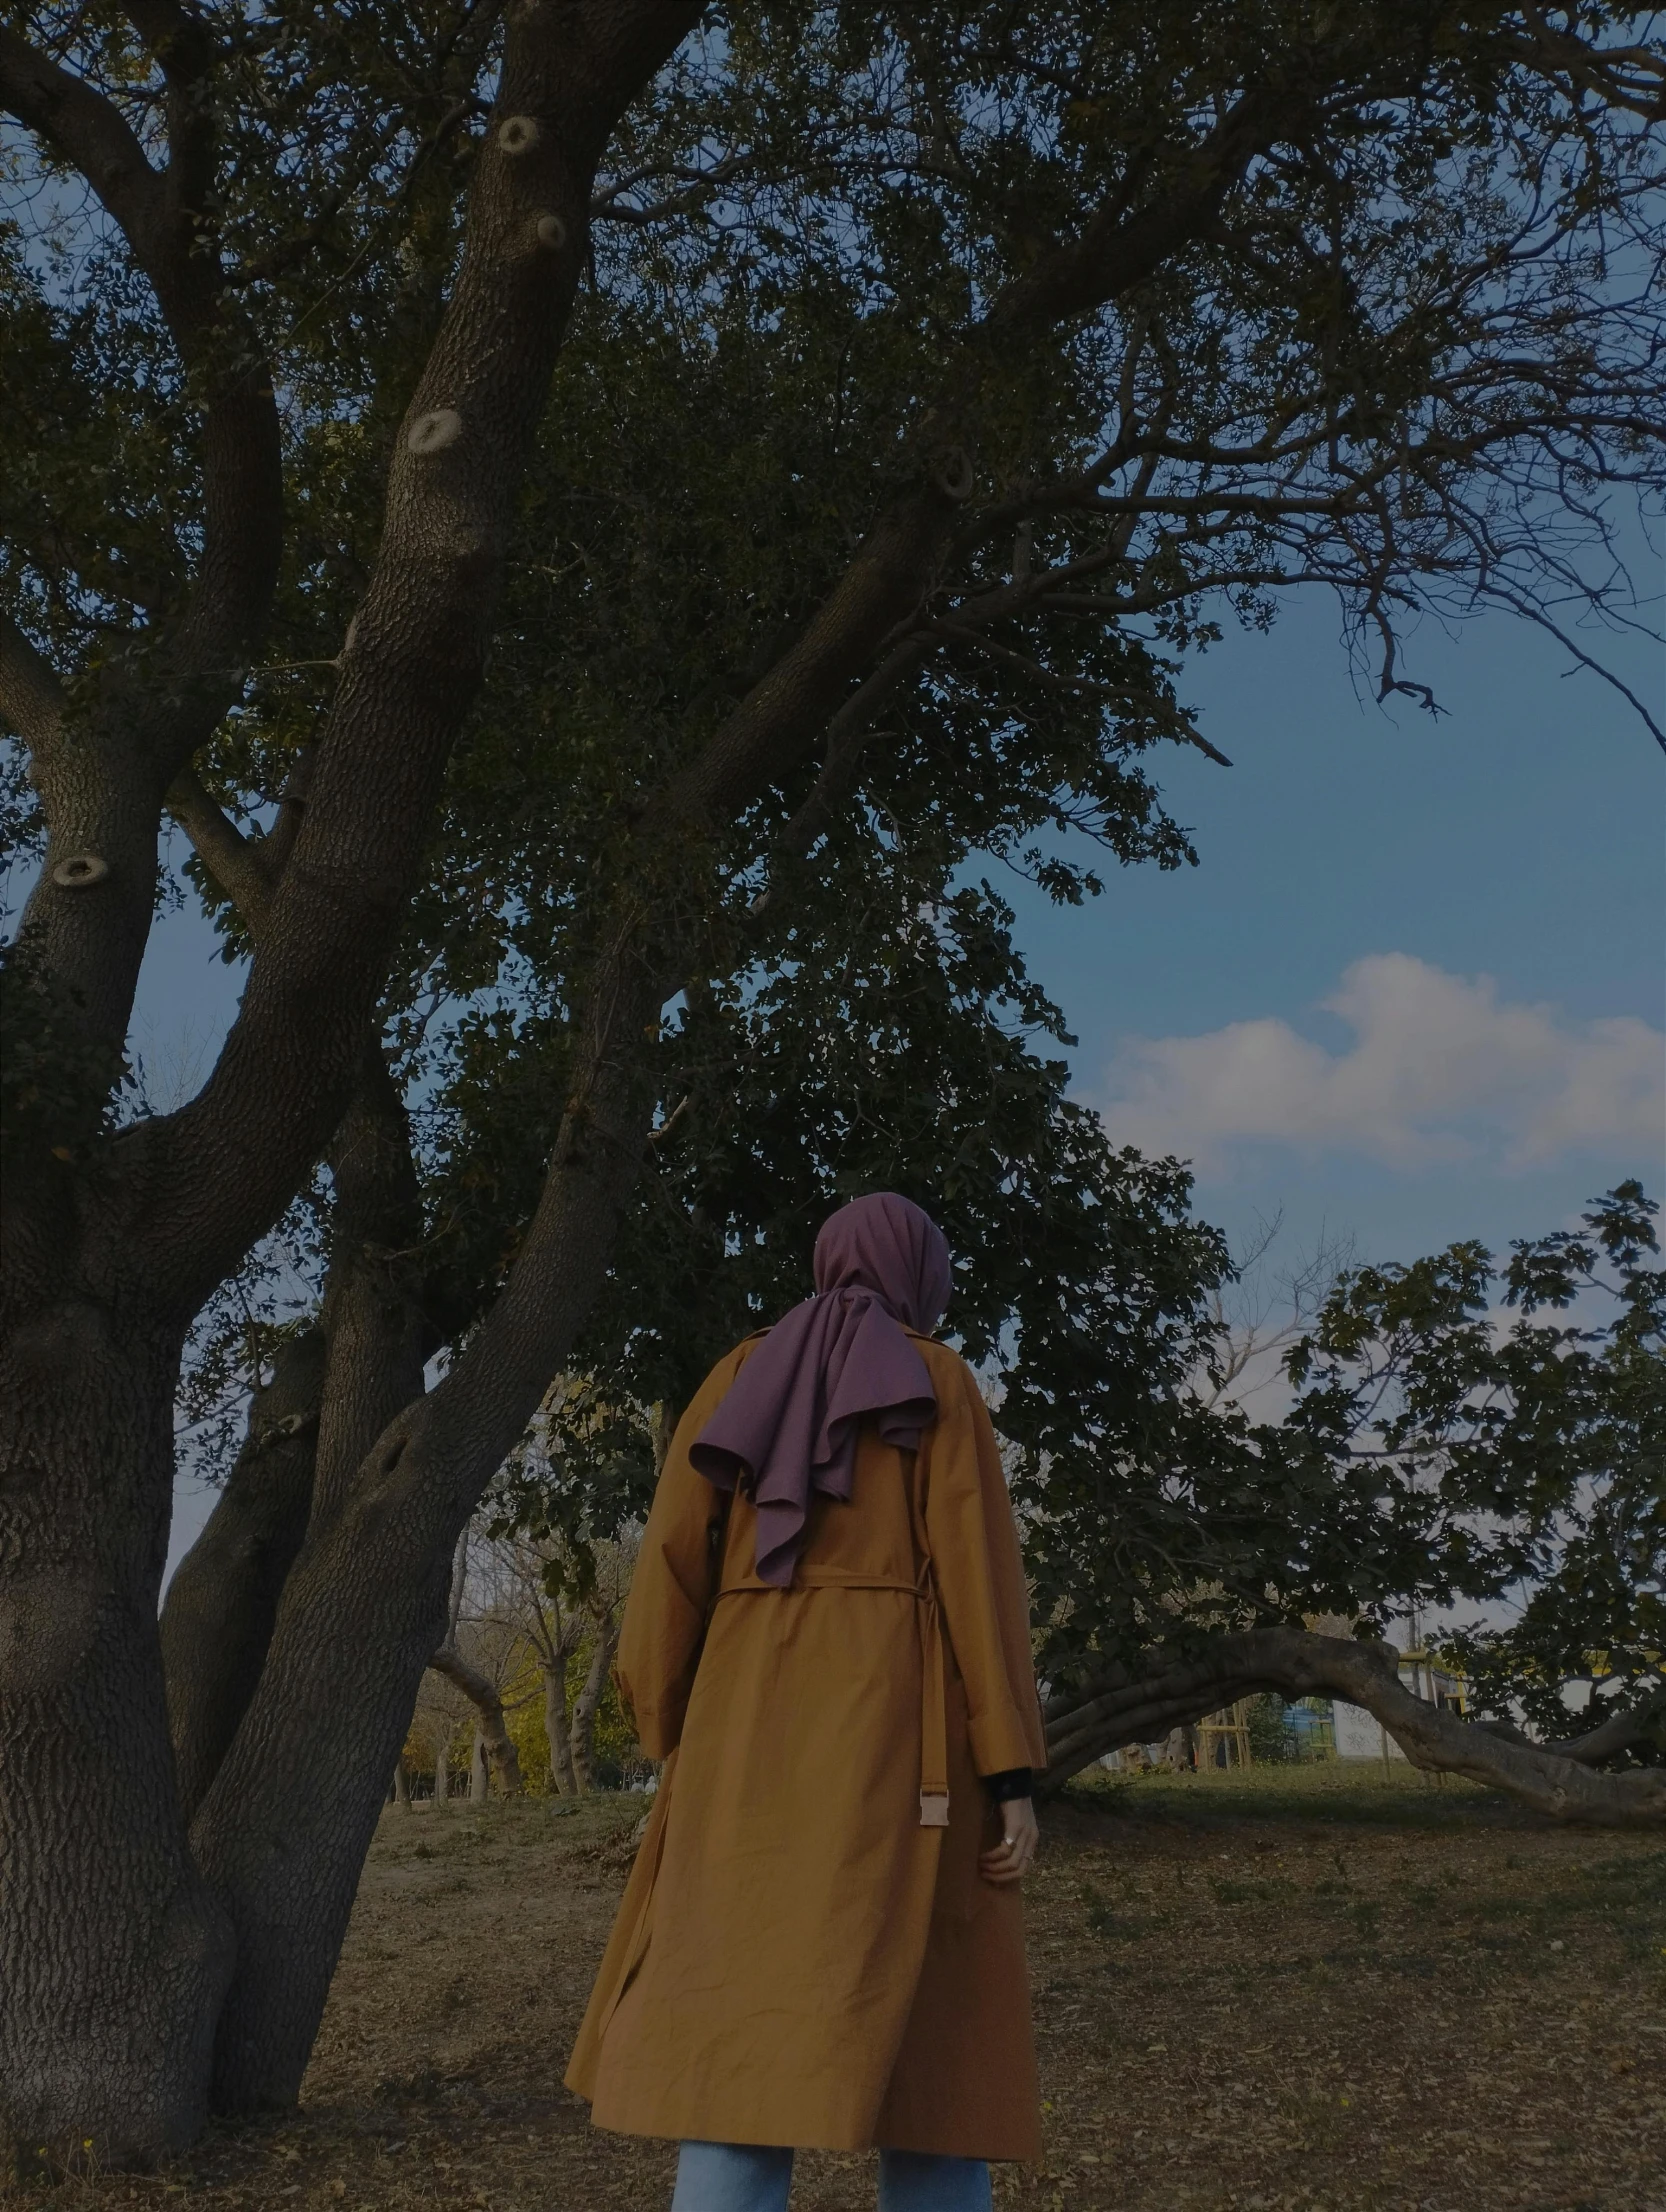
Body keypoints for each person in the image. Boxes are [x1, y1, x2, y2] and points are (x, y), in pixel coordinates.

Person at [565, 1193, 1047, 2212]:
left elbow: (663, 1575)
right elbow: (979, 1581)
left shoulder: (736, 1376)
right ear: (920, 1274)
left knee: (737, 2060)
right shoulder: (937, 1381)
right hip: (902, 1751)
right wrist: (1009, 1768)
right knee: (936, 2075)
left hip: (740, 1748)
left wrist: (669, 1732)